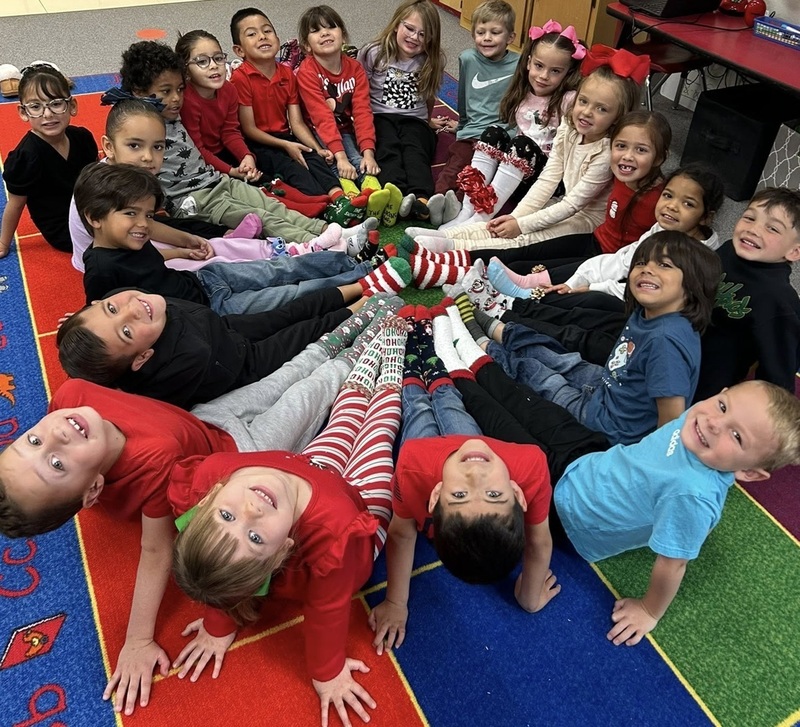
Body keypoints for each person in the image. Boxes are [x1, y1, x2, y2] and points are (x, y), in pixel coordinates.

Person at [0, 301, 394, 716]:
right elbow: (156, 553)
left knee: (289, 373)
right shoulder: (157, 474)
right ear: (94, 488)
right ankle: (360, 352)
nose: (55, 436)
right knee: (311, 393)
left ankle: (351, 325)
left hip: (210, 420)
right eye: (57, 465)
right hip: (249, 455)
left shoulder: (69, 398)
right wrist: (136, 640)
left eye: (32, 443)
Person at [169, 318, 407, 727]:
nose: (251, 511)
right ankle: (397, 346)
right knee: (378, 424)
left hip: (314, 472)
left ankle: (377, 334)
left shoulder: (216, 473)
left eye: (227, 515)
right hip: (360, 509)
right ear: (283, 550)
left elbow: (215, 573)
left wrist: (218, 618)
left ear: (208, 498)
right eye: (256, 536)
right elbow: (327, 610)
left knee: (346, 412)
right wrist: (327, 675)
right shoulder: (335, 540)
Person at [368, 303, 558, 653]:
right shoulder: (529, 463)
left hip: (428, 456)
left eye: (459, 496)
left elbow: (401, 531)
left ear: (436, 495)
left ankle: (415, 355)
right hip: (476, 443)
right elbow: (539, 539)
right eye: (493, 494)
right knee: (448, 400)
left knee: (417, 407)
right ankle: (428, 348)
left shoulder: (413, 463)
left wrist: (397, 603)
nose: (475, 476)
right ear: (516, 493)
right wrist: (530, 595)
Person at [554, 379, 800, 645]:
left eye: (737, 436)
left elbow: (673, 563)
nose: (715, 423)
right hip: (586, 467)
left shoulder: (693, 495)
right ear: (721, 392)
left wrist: (649, 610)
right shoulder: (698, 422)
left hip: (572, 516)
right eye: (723, 406)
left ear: (749, 473)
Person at [74, 162, 412, 313]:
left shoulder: (129, 242)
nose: (143, 225)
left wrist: (178, 253)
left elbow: (144, 262)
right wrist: (82, 315)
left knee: (280, 269)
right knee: (288, 295)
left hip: (207, 279)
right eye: (131, 214)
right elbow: (103, 313)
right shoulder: (100, 268)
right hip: (212, 307)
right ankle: (364, 276)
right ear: (94, 219)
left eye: (147, 215)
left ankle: (348, 259)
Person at [485, 232, 722, 445]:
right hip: (609, 388)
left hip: (609, 426)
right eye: (641, 262)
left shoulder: (666, 343)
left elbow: (671, 421)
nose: (647, 269)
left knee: (542, 378)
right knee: (561, 359)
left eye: (664, 265)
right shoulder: (648, 313)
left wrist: (646, 461)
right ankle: (493, 321)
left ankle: (479, 345)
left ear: (692, 285)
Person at [410, 43, 648, 252]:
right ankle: (455, 230)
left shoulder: (606, 152)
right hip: (559, 200)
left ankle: (454, 247)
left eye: (602, 109)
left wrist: (520, 223)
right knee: (509, 223)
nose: (586, 112)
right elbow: (549, 178)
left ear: (618, 117)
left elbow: (573, 204)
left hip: (583, 219)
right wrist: (516, 218)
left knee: (526, 239)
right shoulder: (570, 125)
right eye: (583, 102)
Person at [117, 40, 348, 240]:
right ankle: (319, 242)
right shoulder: (136, 125)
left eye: (179, 89)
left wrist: (236, 165)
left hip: (216, 181)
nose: (176, 98)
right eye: (166, 92)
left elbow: (227, 133)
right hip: (192, 199)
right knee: (260, 218)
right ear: (139, 92)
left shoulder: (170, 111)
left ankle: (327, 229)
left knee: (269, 203)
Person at [56, 284, 371, 409]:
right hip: (243, 365)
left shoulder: (128, 301)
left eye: (110, 308)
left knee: (288, 311)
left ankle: (363, 285)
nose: (131, 309)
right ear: (142, 357)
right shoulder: (190, 355)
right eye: (126, 331)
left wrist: (83, 323)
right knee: (304, 333)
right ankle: (364, 307)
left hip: (225, 328)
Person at [68, 98, 291, 275]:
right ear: (108, 146)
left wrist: (189, 241)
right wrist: (180, 250)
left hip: (131, 236)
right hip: (119, 260)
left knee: (195, 234)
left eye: (157, 147)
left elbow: (147, 224)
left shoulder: (131, 175)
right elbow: (138, 248)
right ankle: (257, 263)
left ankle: (243, 245)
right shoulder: (108, 188)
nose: (148, 157)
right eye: (134, 145)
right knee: (198, 265)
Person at [468, 109, 670, 286]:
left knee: (524, 269)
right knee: (517, 257)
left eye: (641, 150)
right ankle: (447, 256)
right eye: (621, 146)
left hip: (610, 263)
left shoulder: (659, 200)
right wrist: (518, 219)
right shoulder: (620, 175)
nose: (627, 156)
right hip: (594, 242)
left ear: (660, 158)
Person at [433, 17, 582, 228]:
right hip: (516, 175)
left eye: (555, 71)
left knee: (522, 145)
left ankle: (480, 219)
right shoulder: (522, 91)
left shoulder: (569, 100)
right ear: (529, 62)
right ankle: (467, 210)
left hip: (545, 182)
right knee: (492, 132)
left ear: (568, 73)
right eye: (539, 66)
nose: (544, 76)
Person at [229, 7, 360, 217]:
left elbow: (297, 123)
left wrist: (316, 148)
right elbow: (249, 128)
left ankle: (340, 199)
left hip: (285, 137)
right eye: (252, 34)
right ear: (239, 51)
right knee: (294, 169)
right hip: (258, 143)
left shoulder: (287, 74)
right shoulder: (240, 78)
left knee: (316, 160)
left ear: (277, 38)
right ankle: (324, 208)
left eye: (267, 31)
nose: (262, 36)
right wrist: (286, 145)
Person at [694, 187, 800, 400]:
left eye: (773, 229)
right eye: (749, 218)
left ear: (794, 251)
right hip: (676, 342)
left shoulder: (779, 302)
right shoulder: (728, 250)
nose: (753, 229)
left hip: (704, 385)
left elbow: (777, 380)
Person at [427, 0, 519, 221]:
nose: (486, 38)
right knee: (455, 163)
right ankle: (437, 200)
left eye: (495, 32)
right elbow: (464, 96)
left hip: (500, 137)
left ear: (511, 37)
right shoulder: (468, 59)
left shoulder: (520, 64)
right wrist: (463, 126)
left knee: (477, 176)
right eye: (480, 32)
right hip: (472, 132)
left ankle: (457, 205)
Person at [357, 0, 446, 226]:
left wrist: (427, 121)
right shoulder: (373, 52)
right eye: (410, 28)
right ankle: (396, 194)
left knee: (415, 152)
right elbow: (360, 91)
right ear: (397, 25)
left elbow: (428, 96)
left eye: (423, 34)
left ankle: (422, 199)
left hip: (414, 119)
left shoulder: (431, 61)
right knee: (387, 148)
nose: (415, 37)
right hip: (380, 116)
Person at [296, 5, 385, 217]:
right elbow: (322, 117)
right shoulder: (307, 71)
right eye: (316, 30)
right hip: (316, 130)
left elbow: (363, 112)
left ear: (343, 35)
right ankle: (352, 194)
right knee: (340, 159)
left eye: (331, 27)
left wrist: (369, 153)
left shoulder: (354, 68)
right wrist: (341, 157)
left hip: (344, 127)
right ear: (306, 45)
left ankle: (373, 193)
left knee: (359, 156)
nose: (325, 33)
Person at [0, 63, 97, 257]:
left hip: (91, 210)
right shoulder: (26, 157)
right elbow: (16, 204)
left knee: (136, 220)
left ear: (72, 106)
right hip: (63, 228)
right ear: (23, 112)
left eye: (56, 103)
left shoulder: (82, 137)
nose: (47, 114)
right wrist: (3, 243)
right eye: (36, 107)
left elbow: (98, 180)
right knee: (129, 231)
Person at [176, 29, 261, 182]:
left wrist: (246, 156)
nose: (214, 66)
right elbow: (197, 149)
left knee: (262, 170)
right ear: (185, 70)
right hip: (200, 163)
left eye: (218, 58)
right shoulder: (186, 100)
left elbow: (230, 131)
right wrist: (231, 171)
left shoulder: (229, 89)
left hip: (223, 152)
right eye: (202, 61)